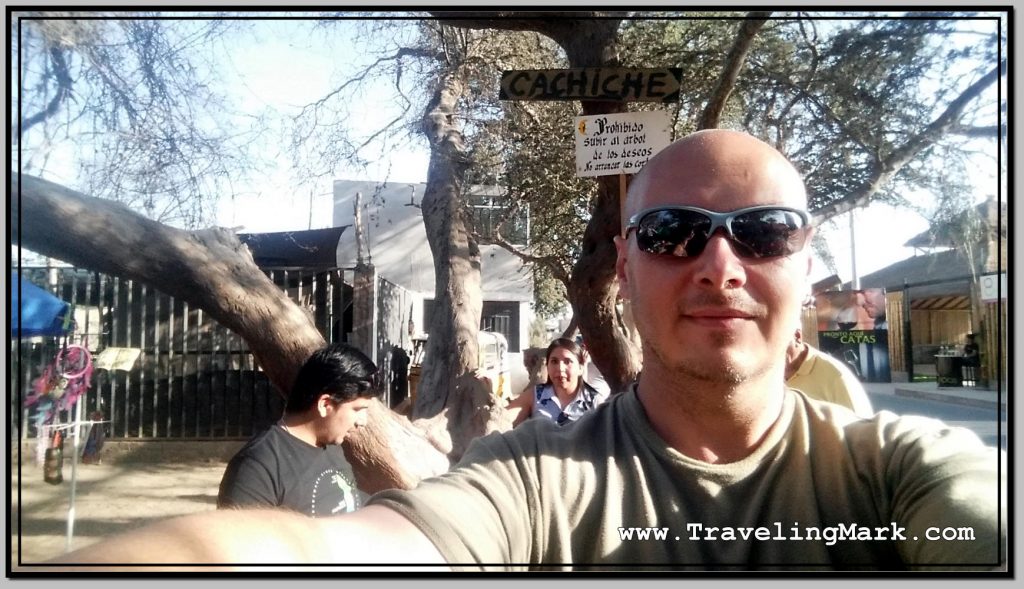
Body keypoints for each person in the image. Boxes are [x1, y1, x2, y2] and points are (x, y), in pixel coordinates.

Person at [52, 130, 1004, 570]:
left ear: (806, 266)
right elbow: (336, 549)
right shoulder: (534, 486)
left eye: (763, 230)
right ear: (623, 270)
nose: (719, 265)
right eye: (675, 231)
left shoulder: (901, 472)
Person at [216, 342, 378, 517]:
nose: (363, 421)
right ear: (325, 404)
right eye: (357, 409)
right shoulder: (256, 469)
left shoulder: (332, 446)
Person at [505, 337, 607, 426]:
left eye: (568, 362)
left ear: (581, 368)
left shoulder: (595, 401)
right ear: (547, 366)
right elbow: (504, 421)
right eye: (554, 361)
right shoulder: (535, 395)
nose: (560, 368)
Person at [785, 328, 874, 416]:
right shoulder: (773, 376)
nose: (771, 352)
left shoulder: (835, 375)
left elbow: (859, 426)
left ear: (797, 336)